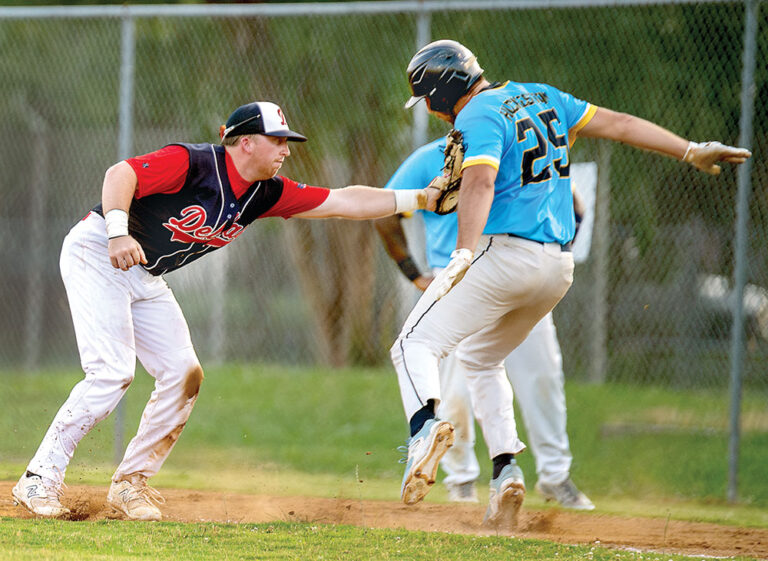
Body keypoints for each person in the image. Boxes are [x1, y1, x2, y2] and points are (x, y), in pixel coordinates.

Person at [12, 100, 440, 521]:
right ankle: (38, 479)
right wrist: (116, 232)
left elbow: (345, 201)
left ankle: (130, 484)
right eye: (278, 141)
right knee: (111, 371)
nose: (286, 150)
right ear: (247, 142)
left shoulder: (266, 193)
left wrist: (420, 197)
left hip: (143, 273)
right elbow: (120, 173)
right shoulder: (193, 163)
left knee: (184, 373)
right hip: (98, 252)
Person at [391, 39, 750, 527]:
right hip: (556, 267)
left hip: (502, 254)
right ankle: (506, 472)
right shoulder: (543, 95)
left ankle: (424, 429)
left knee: (412, 343)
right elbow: (620, 126)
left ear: (439, 91)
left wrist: (462, 252)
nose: (430, 112)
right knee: (481, 358)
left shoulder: (476, 116)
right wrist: (689, 149)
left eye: (426, 99)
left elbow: (480, 184)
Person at [375, 137, 593, 509]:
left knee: (539, 377)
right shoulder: (433, 158)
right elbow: (384, 214)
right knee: (459, 386)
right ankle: (463, 480)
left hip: (517, 271)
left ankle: (554, 476)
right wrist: (415, 274)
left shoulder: (515, 154)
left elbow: (574, 204)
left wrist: (555, 249)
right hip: (464, 275)